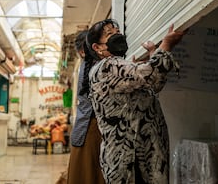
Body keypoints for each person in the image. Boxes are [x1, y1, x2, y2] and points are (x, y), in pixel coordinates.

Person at [85, 19, 184, 184]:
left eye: (117, 32)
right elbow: (151, 76)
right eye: (110, 34)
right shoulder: (107, 66)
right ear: (98, 47)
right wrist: (166, 44)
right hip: (130, 158)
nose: (117, 35)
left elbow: (154, 85)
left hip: (144, 153)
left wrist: (154, 57)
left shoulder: (120, 66)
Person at [67, 30, 105, 184]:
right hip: (91, 130)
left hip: (85, 129)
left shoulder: (89, 66)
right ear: (83, 51)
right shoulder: (95, 68)